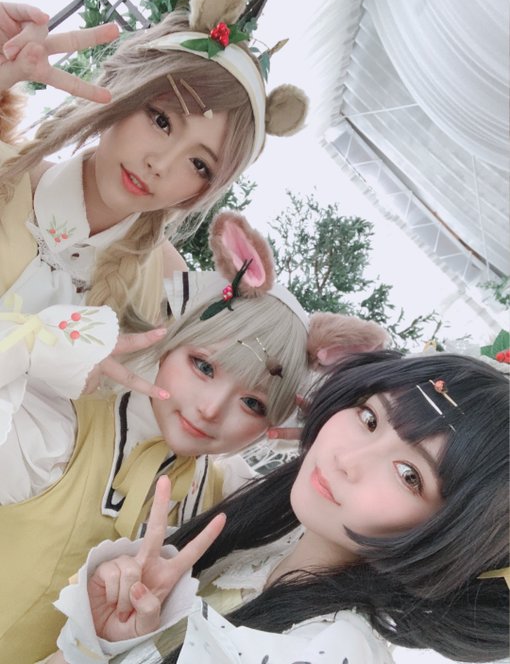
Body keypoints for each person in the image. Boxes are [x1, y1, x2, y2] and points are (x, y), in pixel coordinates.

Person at [0, 210, 389, 663]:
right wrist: (35, 350)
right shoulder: (56, 422)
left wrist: (323, 435)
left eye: (253, 403)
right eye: (203, 366)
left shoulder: (224, 501)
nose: (211, 408)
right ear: (171, 340)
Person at [49, 350, 508, 664]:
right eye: (369, 418)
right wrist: (110, 638)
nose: (347, 459)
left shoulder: (330, 649)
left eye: (409, 475)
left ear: (458, 531)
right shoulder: (259, 545)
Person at [0, 0, 308, 324]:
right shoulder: (6, 169)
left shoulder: (168, 294)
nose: (159, 165)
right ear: (124, 85)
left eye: (199, 164)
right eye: (162, 121)